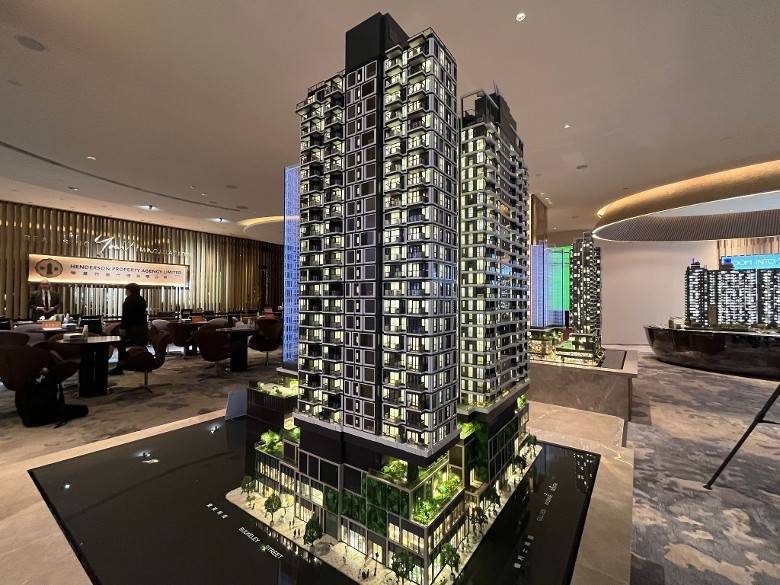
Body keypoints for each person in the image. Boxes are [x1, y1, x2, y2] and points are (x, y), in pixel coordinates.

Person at [110, 283, 148, 375]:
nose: (125, 292)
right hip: (142, 328)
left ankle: (120, 367)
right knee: (141, 346)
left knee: (121, 346)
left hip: (132, 328)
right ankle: (146, 365)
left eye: (126, 290)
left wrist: (123, 328)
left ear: (130, 291)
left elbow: (126, 316)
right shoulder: (142, 300)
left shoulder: (129, 300)